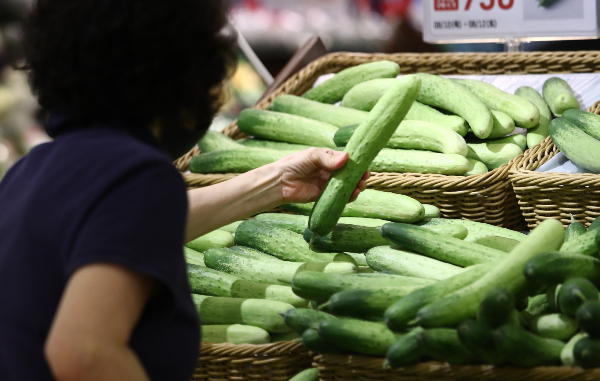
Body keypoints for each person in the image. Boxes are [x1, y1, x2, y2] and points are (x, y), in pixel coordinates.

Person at [0, 1, 368, 381]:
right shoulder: (135, 175)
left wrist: (276, 183)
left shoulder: (30, 172)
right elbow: (84, 355)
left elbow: (127, 227)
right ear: (181, 67)